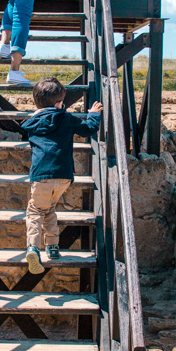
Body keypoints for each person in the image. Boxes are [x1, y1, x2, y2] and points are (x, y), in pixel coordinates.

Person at [21, 77, 103, 274]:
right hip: (64, 176)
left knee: (35, 210)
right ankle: (53, 246)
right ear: (59, 103)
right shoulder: (66, 118)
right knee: (49, 208)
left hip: (41, 175)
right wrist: (93, 115)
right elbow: (89, 129)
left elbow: (23, 129)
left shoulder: (31, 123)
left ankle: (33, 247)